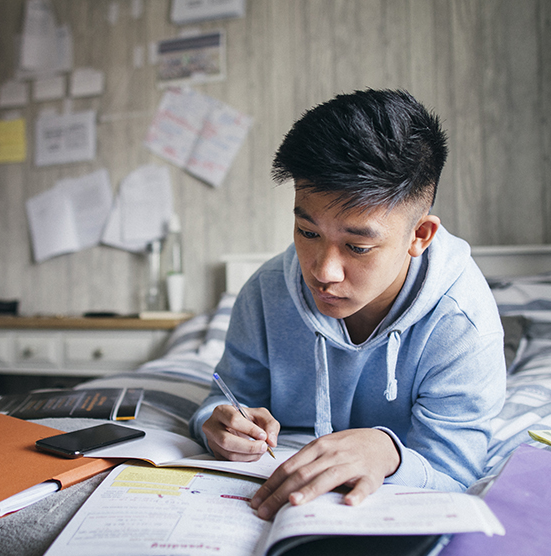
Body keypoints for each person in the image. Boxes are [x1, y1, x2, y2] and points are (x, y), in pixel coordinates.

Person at [189, 89, 505, 520]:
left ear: (420, 236)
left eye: (357, 247)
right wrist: (217, 426)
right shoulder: (264, 293)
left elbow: (456, 471)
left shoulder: (462, 322)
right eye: (308, 232)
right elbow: (223, 401)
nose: (323, 271)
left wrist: (389, 453)